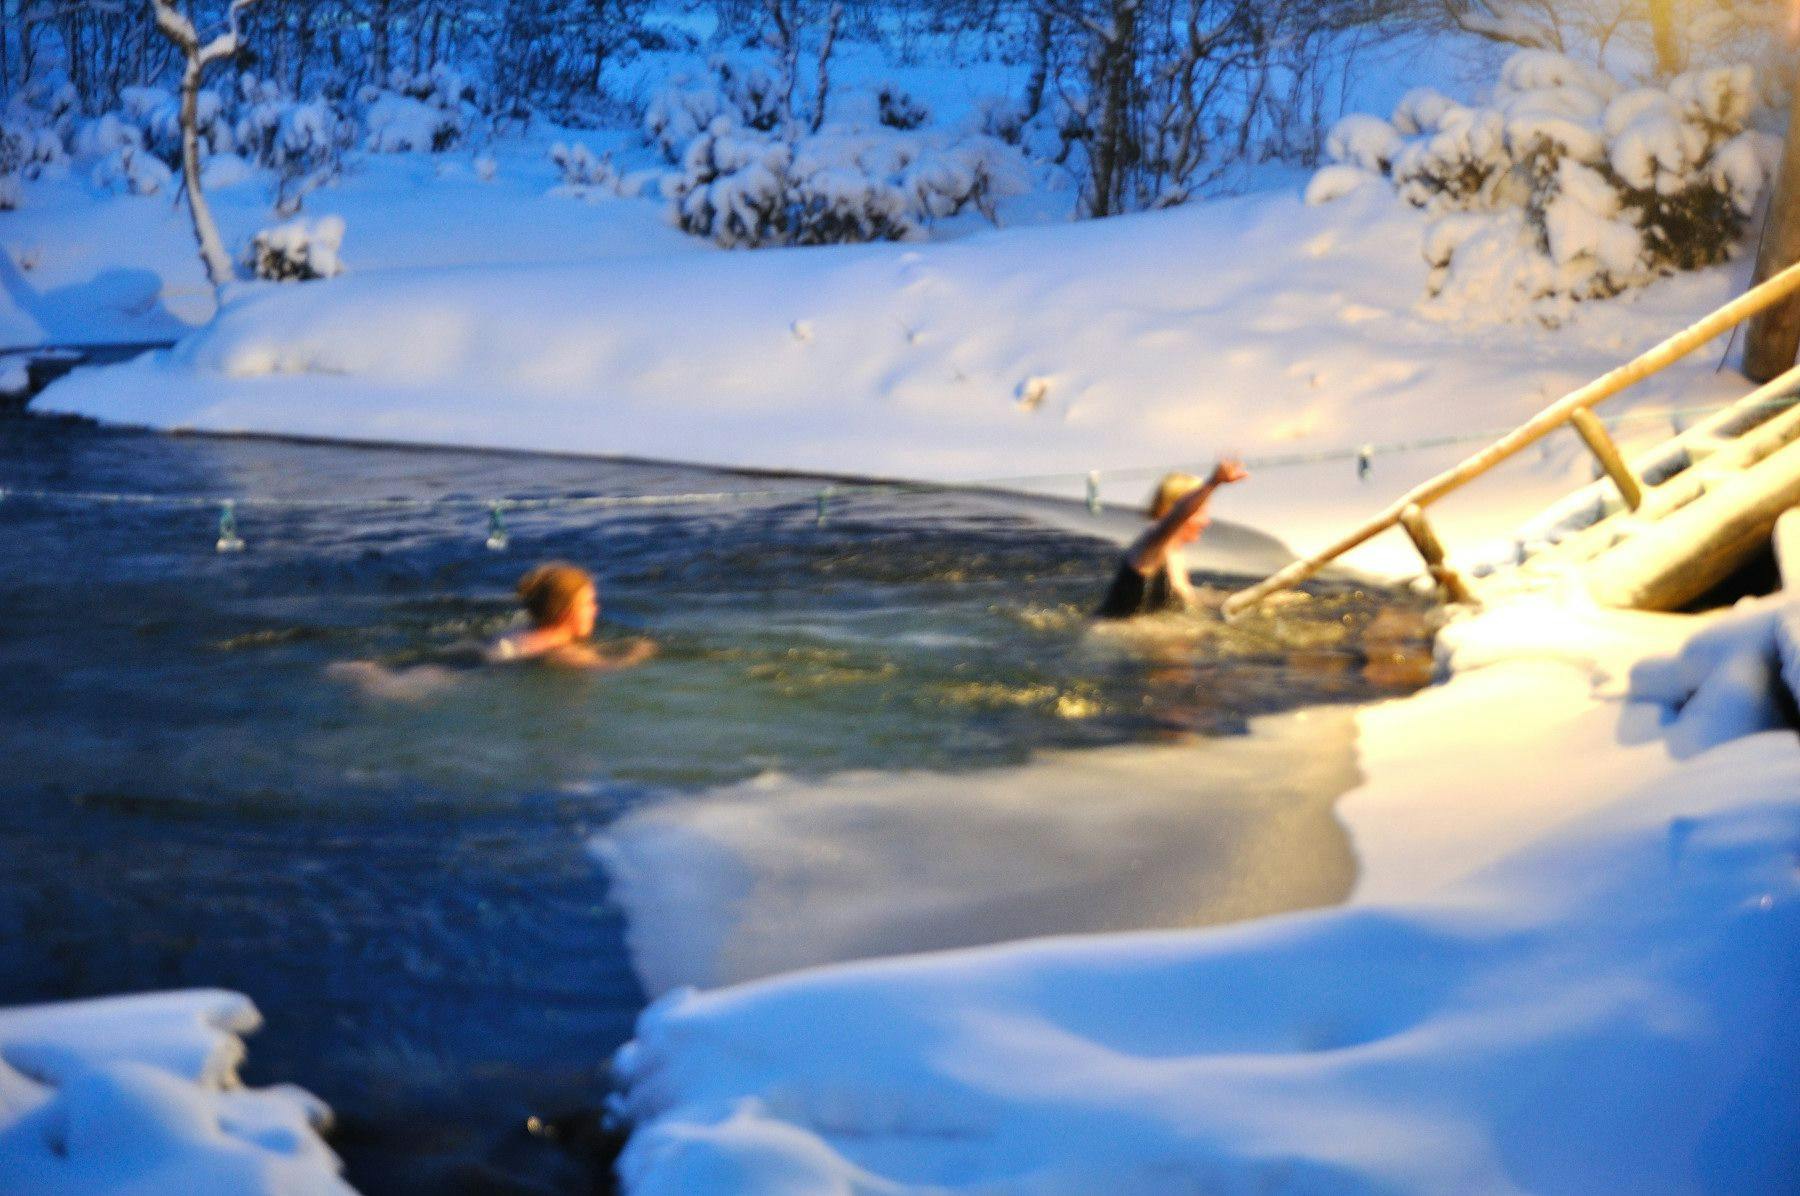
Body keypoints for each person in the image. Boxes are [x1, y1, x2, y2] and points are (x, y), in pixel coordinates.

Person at [1095, 457, 1249, 619]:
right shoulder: (1151, 546)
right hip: (1113, 637)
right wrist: (1213, 483)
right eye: (1200, 512)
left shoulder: (1174, 552)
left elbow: (1191, 598)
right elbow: (1179, 513)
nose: (1206, 521)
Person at [487, 561, 657, 670]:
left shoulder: (523, 632)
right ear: (565, 612)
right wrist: (638, 652)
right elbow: (609, 667)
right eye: (588, 603)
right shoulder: (563, 651)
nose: (595, 610)